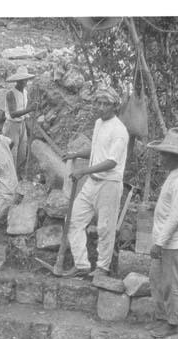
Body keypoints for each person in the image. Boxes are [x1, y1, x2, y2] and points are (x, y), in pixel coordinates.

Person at [62, 86, 129, 282]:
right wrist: (76, 155)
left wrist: (83, 170)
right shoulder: (99, 123)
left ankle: (102, 268)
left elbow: (111, 162)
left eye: (106, 104)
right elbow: (96, 150)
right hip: (92, 182)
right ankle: (82, 265)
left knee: (105, 228)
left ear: (114, 106)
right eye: (98, 103)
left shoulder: (120, 130)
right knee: (73, 220)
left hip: (109, 183)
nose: (101, 107)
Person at [146, 127, 178, 338]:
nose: (161, 159)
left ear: (175, 157)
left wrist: (159, 242)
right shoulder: (175, 175)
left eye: (164, 155)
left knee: (172, 283)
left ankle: (173, 322)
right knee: (157, 279)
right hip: (166, 241)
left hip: (173, 243)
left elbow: (176, 218)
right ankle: (162, 318)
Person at [3, 66, 36, 178]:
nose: (24, 82)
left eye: (25, 80)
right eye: (21, 80)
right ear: (17, 80)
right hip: (12, 125)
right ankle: (9, 177)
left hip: (21, 124)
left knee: (22, 151)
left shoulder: (25, 92)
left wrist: (28, 116)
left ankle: (17, 174)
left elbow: (24, 109)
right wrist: (29, 109)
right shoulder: (11, 94)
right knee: (12, 152)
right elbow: (13, 113)